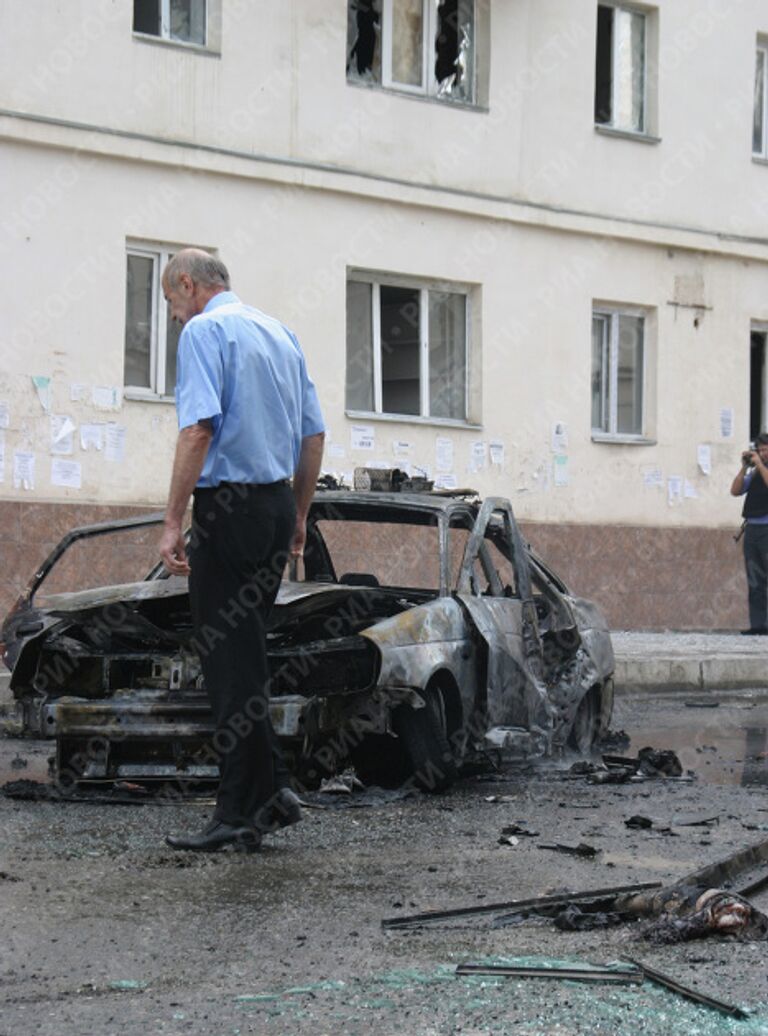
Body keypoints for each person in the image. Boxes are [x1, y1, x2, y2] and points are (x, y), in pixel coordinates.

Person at [159, 249, 325, 852]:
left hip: (228, 509)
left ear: (186, 284)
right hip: (276, 507)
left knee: (227, 664)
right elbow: (313, 434)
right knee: (247, 653)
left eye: (170, 303)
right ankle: (270, 792)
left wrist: (173, 520)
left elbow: (198, 428)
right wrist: (300, 516)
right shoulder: (280, 333)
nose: (174, 317)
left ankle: (236, 812)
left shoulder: (205, 331)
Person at [731, 432, 768, 635]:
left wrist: (760, 466)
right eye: (759, 450)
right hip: (753, 529)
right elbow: (735, 490)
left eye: (765, 450)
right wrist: (745, 467)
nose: (761, 454)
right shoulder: (755, 473)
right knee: (755, 579)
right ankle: (758, 625)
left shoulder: (763, 470)